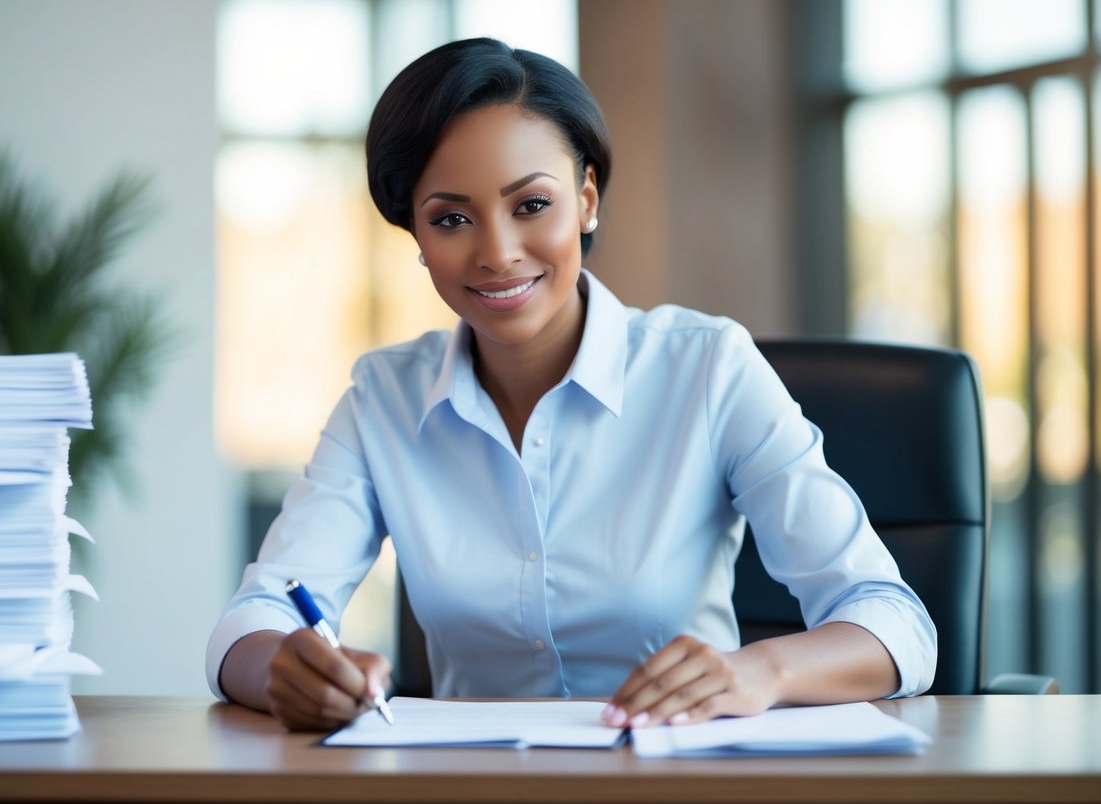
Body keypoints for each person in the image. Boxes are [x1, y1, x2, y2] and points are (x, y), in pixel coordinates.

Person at [206, 37, 936, 732]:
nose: (497, 253)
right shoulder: (382, 399)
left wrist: (760, 672)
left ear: (585, 199)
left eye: (531, 205)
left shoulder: (708, 369)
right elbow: (254, 619)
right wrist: (282, 667)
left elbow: (893, 623)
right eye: (451, 218)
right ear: (417, 239)